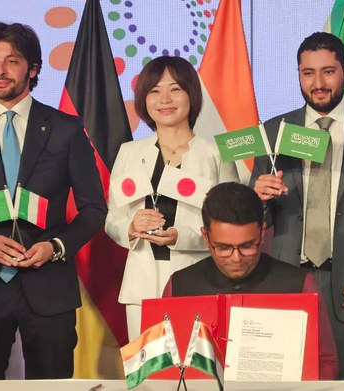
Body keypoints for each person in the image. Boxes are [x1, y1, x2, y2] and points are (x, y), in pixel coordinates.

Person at [250, 32, 344, 380]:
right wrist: (256, 198)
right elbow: (255, 220)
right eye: (308, 73)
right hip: (289, 282)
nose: (318, 83)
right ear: (298, 74)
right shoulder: (274, 130)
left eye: (328, 71)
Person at [0, 22, 106, 379]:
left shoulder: (65, 128)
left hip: (49, 285)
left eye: (11, 61)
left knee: (52, 384)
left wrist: (56, 246)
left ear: (34, 68)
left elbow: (93, 209)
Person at [105, 56, 239, 340]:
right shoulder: (129, 152)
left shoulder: (215, 153)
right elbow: (112, 220)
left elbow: (229, 226)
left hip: (197, 279)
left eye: (175, 89)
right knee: (147, 376)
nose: (164, 99)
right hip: (140, 285)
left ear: (191, 94)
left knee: (198, 374)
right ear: (144, 99)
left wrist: (182, 236)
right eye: (154, 91)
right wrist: (130, 227)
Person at [165, 182, 338, 379]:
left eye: (247, 246)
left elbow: (325, 361)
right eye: (223, 248)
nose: (236, 258)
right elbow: (164, 368)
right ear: (206, 237)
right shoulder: (179, 286)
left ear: (262, 233)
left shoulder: (299, 286)